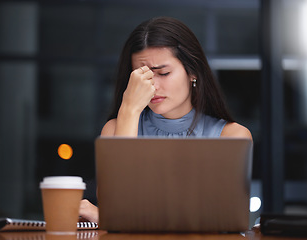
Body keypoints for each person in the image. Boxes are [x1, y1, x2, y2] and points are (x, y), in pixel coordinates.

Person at [79, 16, 252, 222]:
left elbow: (220, 221)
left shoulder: (232, 137)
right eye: (142, 77)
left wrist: (113, 217)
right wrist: (130, 110)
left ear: (193, 72)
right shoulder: (116, 128)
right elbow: (113, 206)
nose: (153, 87)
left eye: (164, 73)